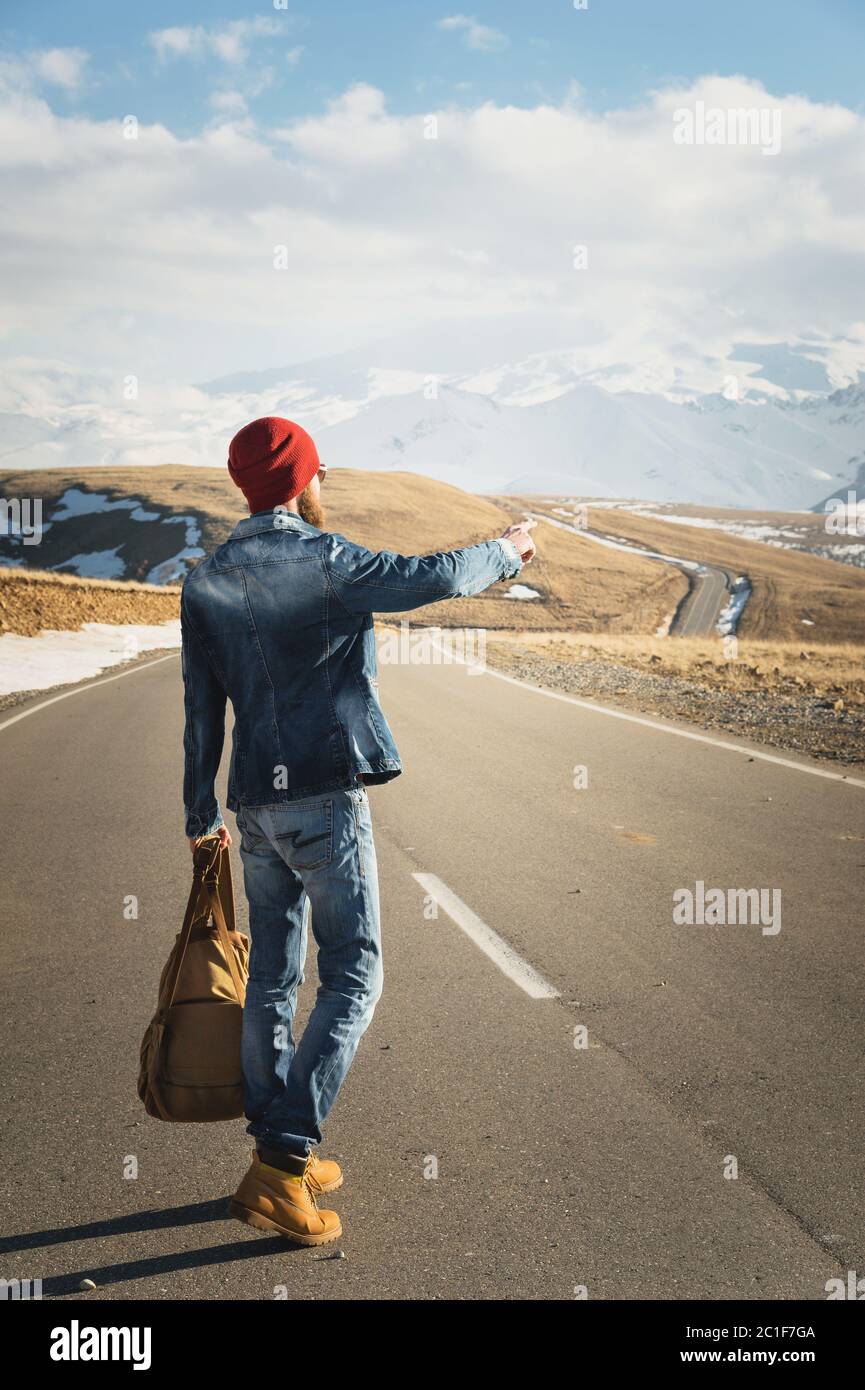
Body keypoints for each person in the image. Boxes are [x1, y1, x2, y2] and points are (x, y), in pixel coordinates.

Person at [181, 415, 537, 1246]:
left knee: (272, 974)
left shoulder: (205, 580)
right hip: (324, 794)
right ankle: (281, 1159)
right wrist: (509, 549)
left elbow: (202, 708)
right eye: (317, 471)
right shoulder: (326, 559)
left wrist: (201, 813)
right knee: (353, 975)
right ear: (302, 480)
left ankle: (280, 1155)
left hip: (255, 807)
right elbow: (435, 576)